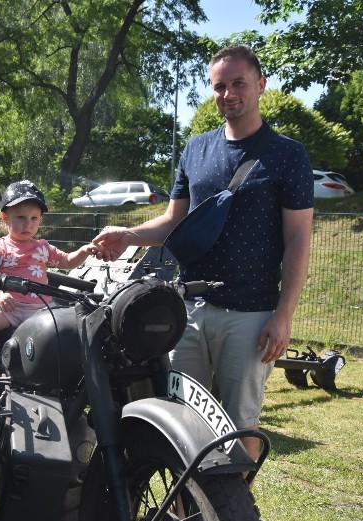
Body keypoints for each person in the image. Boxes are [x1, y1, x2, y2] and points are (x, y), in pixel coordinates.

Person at [91, 44, 314, 462]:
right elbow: (173, 221)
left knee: (239, 424)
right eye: (219, 86)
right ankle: (184, 518)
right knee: (182, 420)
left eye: (238, 84)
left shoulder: (287, 154)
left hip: (251, 313)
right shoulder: (196, 149)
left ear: (260, 85)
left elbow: (299, 239)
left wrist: (283, 314)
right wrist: (128, 234)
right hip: (189, 309)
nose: (228, 94)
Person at [0, 180, 96, 363]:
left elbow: (67, 261)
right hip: (9, 308)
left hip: (41, 307)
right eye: (21, 218)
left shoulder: (42, 247)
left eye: (34, 218)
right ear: (5, 218)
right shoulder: (1, 247)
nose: (27, 224)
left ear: (40, 220)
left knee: (66, 328)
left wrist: (85, 251)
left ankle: (60, 372)